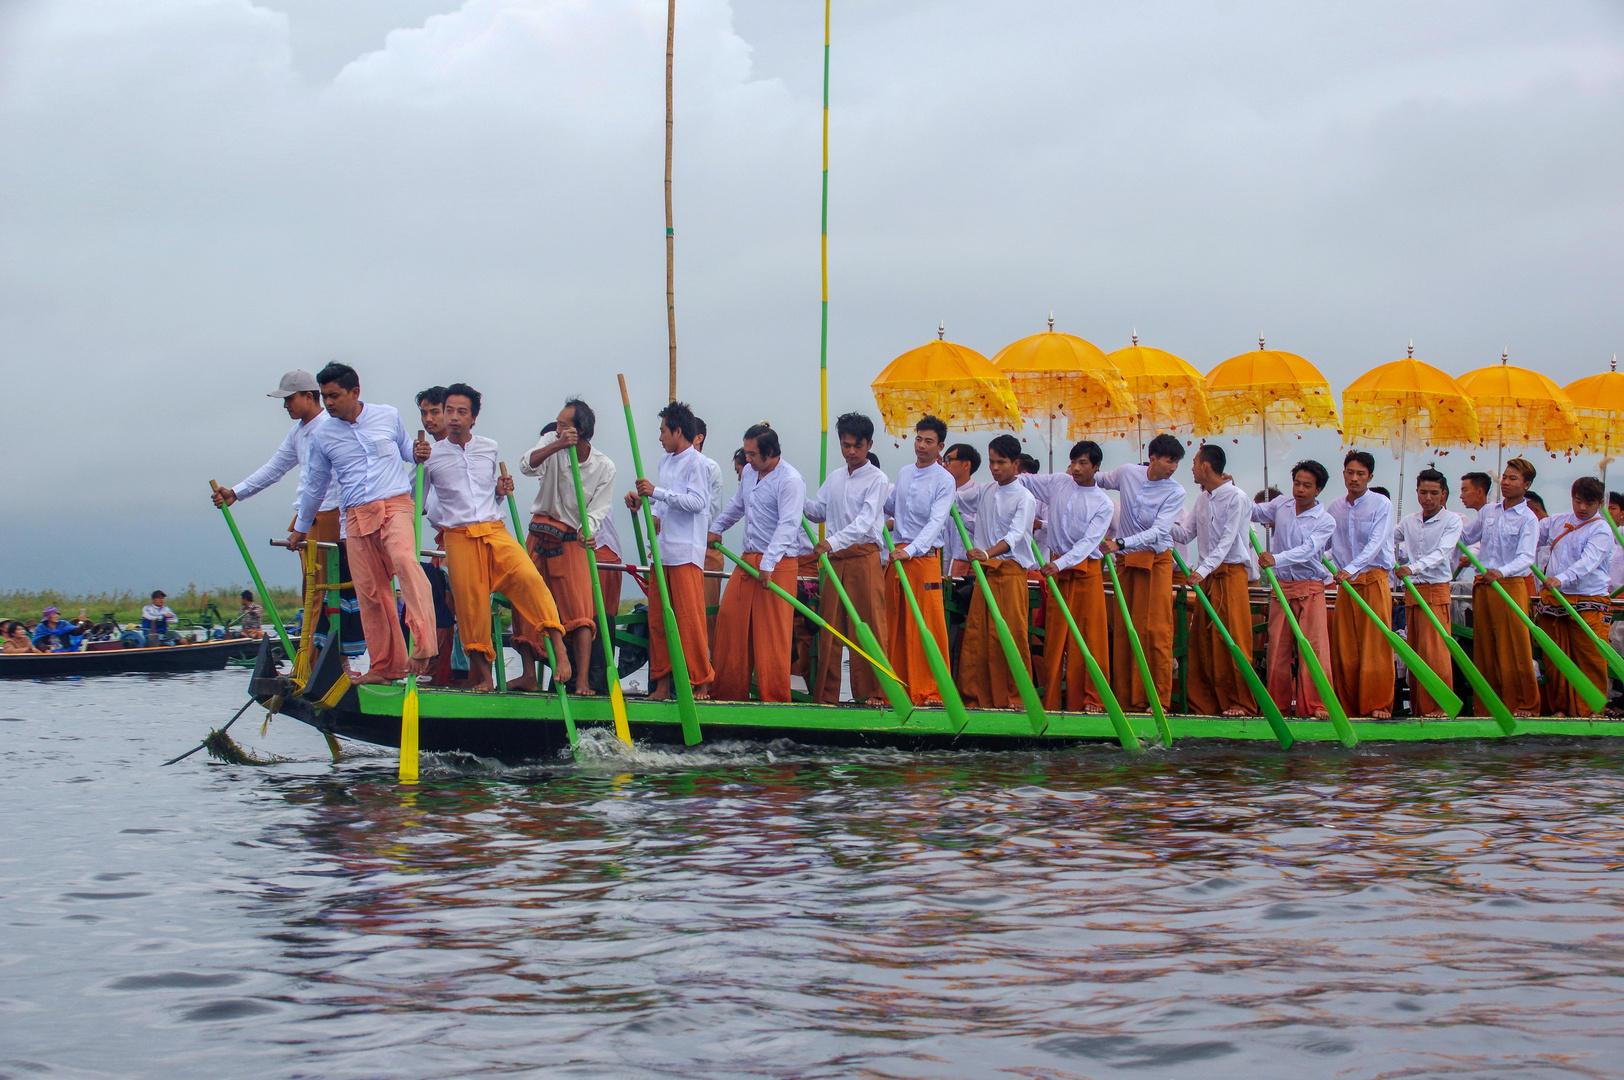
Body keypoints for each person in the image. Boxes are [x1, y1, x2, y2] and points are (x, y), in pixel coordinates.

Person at [291, 362, 438, 685]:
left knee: (404, 561)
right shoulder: (323, 434)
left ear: (355, 392)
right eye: (324, 396)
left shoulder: (387, 415)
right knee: (371, 593)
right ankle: (386, 667)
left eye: (334, 396)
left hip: (396, 504)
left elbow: (406, 453)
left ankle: (425, 646)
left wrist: (418, 453)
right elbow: (315, 485)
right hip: (355, 516)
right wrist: (301, 527)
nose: (328, 403)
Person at [415, 383, 567, 692]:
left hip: (494, 529)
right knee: (472, 606)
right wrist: (417, 465)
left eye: (462, 412)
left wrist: (499, 491)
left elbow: (487, 496)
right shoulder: (430, 457)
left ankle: (559, 650)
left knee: (529, 578)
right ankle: (484, 676)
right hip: (457, 536)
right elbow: (418, 502)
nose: (454, 417)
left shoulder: (488, 447)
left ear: (474, 418)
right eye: (449, 411)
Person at [214, 369, 360, 661]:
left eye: (290, 399)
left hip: (331, 516)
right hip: (308, 518)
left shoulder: (331, 427)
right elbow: (276, 467)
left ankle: (325, 661)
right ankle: (311, 660)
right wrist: (237, 492)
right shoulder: (299, 432)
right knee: (311, 591)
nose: (286, 406)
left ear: (308, 396)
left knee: (325, 593)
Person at [515, 398, 616, 694]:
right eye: (557, 424)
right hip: (539, 532)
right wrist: (557, 446)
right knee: (525, 601)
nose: (557, 428)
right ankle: (527, 676)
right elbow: (526, 465)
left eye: (564, 425)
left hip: (572, 539)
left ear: (581, 430)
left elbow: (599, 508)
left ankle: (581, 681)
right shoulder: (551, 441)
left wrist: (589, 531)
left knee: (580, 610)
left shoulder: (604, 465)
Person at [708, 423, 806, 703]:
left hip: (779, 562)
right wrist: (717, 528)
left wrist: (769, 563)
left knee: (771, 634)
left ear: (771, 453)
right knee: (729, 621)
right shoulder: (750, 473)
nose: (746, 459)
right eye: (746, 452)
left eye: (752, 454)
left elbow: (788, 525)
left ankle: (774, 699)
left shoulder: (790, 480)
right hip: (748, 559)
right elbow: (737, 505)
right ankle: (727, 693)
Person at [626, 400, 715, 700]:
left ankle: (700, 681)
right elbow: (664, 508)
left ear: (678, 431)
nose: (660, 437)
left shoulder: (698, 463)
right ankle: (662, 683)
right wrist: (645, 507)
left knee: (690, 620)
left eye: (663, 431)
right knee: (659, 620)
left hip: (686, 553)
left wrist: (657, 492)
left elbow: (698, 503)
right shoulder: (665, 463)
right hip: (663, 553)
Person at [804, 412, 891, 705]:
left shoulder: (877, 479)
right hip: (835, 560)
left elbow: (866, 522)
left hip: (863, 557)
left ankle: (873, 693)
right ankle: (826, 696)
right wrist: (795, 496)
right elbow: (818, 511)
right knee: (829, 628)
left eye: (857, 445)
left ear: (869, 444)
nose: (851, 451)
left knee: (867, 627)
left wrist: (831, 542)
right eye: (845, 445)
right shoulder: (836, 477)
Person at [1097, 433, 1188, 712]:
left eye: (1177, 463)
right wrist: (1077, 470)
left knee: (1156, 629)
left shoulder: (1176, 491)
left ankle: (1157, 699)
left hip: (1157, 560)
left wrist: (1120, 542)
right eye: (1169, 461)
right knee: (1125, 628)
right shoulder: (1128, 473)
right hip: (1126, 561)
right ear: (1153, 458)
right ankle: (1126, 698)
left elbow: (1160, 531)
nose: (1173, 467)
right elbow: (1099, 480)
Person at [1022, 439, 1114, 712]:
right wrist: (1008, 470)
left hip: (1085, 573)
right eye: (1073, 462)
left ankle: (1093, 699)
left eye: (1083, 463)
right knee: (1056, 638)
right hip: (1058, 571)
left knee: (1089, 637)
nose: (1075, 468)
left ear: (1096, 467)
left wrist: (1060, 564)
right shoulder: (1059, 482)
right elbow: (1026, 481)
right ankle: (1051, 700)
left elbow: (1088, 544)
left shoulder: (1104, 503)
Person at [1170, 443, 1258, 717]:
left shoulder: (1236, 497)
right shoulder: (1202, 499)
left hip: (1229, 575)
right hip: (1207, 577)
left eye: (1195, 463)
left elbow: (1226, 542)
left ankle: (1240, 703)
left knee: (1232, 639)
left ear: (1206, 466)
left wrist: (1201, 570)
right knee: (1204, 642)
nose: (1192, 469)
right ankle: (1204, 704)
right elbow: (1185, 535)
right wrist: (1159, 523)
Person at [957, 434, 1038, 709]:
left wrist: (986, 553)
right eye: (991, 462)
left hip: (1011, 573)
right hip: (986, 573)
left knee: (1012, 635)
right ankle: (975, 698)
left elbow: (1015, 536)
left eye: (1001, 463)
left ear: (1015, 464)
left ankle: (1017, 698)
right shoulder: (987, 491)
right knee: (977, 636)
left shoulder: (1025, 498)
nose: (994, 468)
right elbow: (957, 498)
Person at [1252, 460, 1336, 718]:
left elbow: (1308, 550)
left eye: (1307, 486)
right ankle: (1276, 706)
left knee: (1314, 649)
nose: (1300, 490)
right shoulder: (1281, 505)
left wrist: (1276, 558)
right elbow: (1254, 512)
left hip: (1310, 587)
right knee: (1277, 649)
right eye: (1297, 483)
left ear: (1318, 489)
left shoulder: (1325, 520)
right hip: (1281, 587)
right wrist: (1230, 489)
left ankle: (1317, 706)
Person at [1459, 458, 1540, 716]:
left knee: (1515, 648)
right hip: (1484, 585)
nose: (1505, 482)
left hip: (1511, 584)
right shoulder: (1488, 511)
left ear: (1526, 485)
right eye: (1504, 477)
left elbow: (1527, 557)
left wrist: (1501, 572)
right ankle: (1487, 707)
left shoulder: (1529, 518)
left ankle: (1524, 704)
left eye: (1513, 479)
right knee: (1485, 647)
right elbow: (1465, 537)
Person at [883, 415, 955, 705]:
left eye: (929, 441)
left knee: (926, 626)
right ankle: (896, 690)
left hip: (923, 559)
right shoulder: (903, 473)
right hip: (897, 557)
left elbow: (936, 522)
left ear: (940, 446)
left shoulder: (945, 479)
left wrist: (910, 550)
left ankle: (931, 691)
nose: (921, 446)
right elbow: (890, 508)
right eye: (918, 439)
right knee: (894, 623)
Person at [1535, 476, 1612, 716]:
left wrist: (1561, 578)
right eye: (1578, 501)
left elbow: (1587, 562)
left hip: (1588, 600)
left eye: (1588, 503)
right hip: (1555, 601)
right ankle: (1561, 709)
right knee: (1556, 659)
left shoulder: (1602, 530)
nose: (1581, 508)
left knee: (1589, 659)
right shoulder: (1557, 521)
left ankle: (1591, 710)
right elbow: (1531, 536)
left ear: (1599, 503)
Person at [1327, 450, 1396, 718]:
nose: (1354, 478)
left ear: (1370, 477)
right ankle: (1348, 706)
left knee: (1375, 647)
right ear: (1343, 473)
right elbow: (1327, 545)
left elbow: (1376, 542)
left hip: (1372, 578)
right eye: (1350, 472)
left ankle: (1378, 705)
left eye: (1361, 474)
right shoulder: (1335, 507)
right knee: (1345, 647)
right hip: (1346, 584)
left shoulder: (1381, 504)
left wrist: (1350, 569)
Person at [1395, 469, 1464, 717]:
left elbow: (1442, 553)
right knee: (1416, 652)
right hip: (1412, 592)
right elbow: (1389, 538)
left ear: (1444, 495)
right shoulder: (1409, 521)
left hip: (1435, 589)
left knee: (1436, 652)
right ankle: (1420, 707)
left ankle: (1441, 707)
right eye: (1423, 492)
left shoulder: (1452, 520)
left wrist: (1411, 568)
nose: (1428, 498)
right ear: (1417, 493)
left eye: (1434, 493)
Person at [692, 418, 728, 641]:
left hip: (704, 550)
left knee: (705, 618)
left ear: (698, 438)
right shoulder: (670, 465)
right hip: (678, 553)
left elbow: (703, 510)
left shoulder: (708, 467)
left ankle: (707, 669)